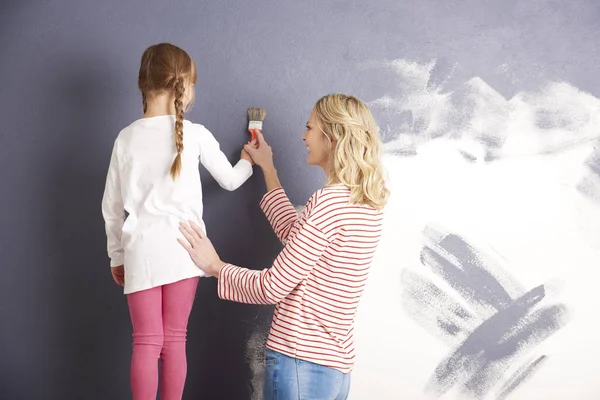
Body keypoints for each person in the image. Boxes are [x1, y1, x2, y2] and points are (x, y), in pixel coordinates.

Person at [178, 94, 389, 400]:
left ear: (331, 138)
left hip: (300, 362)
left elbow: (272, 287)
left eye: (310, 128)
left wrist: (216, 268)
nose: (304, 136)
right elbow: (298, 238)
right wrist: (268, 169)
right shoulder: (365, 203)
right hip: (334, 369)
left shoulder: (328, 202)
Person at [101, 42, 254, 400]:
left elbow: (111, 207)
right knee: (174, 340)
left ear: (145, 84)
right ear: (182, 84)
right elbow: (231, 180)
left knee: (145, 341)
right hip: (186, 249)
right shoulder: (197, 134)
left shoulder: (125, 139)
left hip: (140, 250)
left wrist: (116, 256)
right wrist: (250, 160)